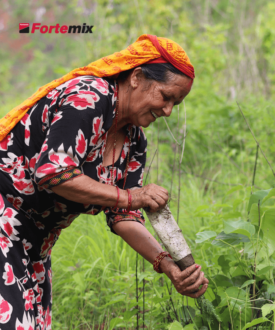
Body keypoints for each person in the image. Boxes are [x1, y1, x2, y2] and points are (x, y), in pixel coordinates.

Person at [0, 34, 208, 329]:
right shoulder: (89, 96)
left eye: (176, 103)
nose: (168, 111)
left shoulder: (134, 142)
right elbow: (53, 172)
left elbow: (124, 216)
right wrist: (133, 196)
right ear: (136, 77)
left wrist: (168, 265)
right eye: (165, 96)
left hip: (35, 248)